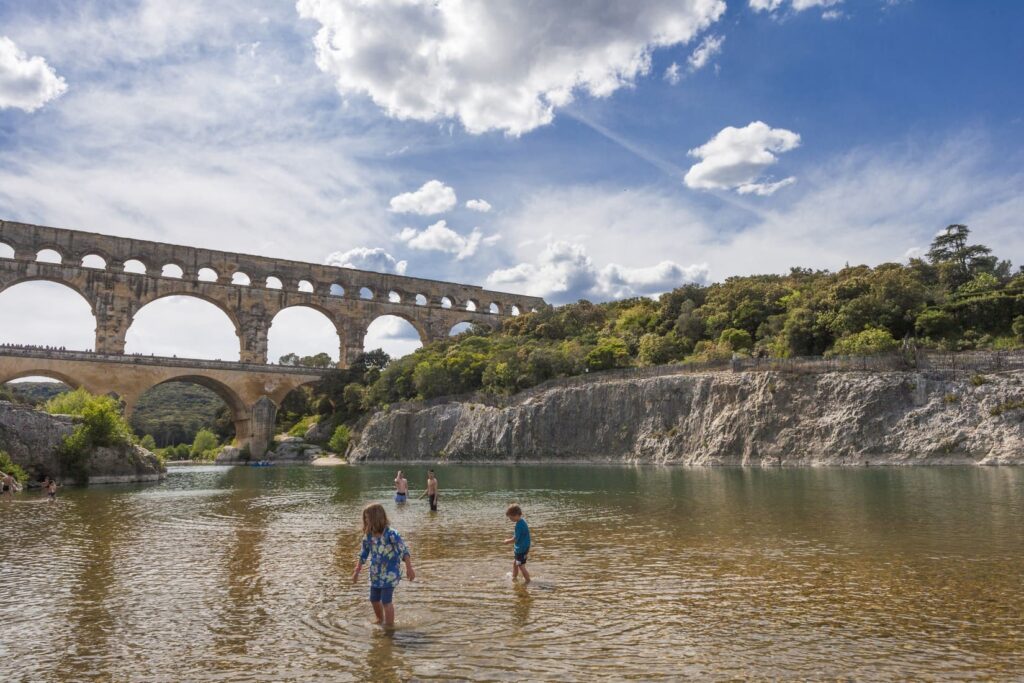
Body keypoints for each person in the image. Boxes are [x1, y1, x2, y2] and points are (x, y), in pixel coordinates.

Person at [352, 502, 415, 627]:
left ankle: (389, 627)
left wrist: (409, 568)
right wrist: (357, 570)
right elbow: (363, 554)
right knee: (374, 599)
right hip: (375, 573)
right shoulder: (368, 536)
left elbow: (404, 551)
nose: (365, 520)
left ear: (376, 518)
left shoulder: (391, 534)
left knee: (386, 601)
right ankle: (380, 620)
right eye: (364, 518)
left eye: (367, 518)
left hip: (390, 574)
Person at [504, 503, 531, 583]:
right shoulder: (522, 521)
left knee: (520, 565)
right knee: (515, 563)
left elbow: (515, 539)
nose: (510, 519)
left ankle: (528, 581)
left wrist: (507, 541)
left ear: (516, 515)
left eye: (511, 518)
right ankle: (514, 577)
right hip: (524, 547)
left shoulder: (519, 525)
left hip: (521, 549)